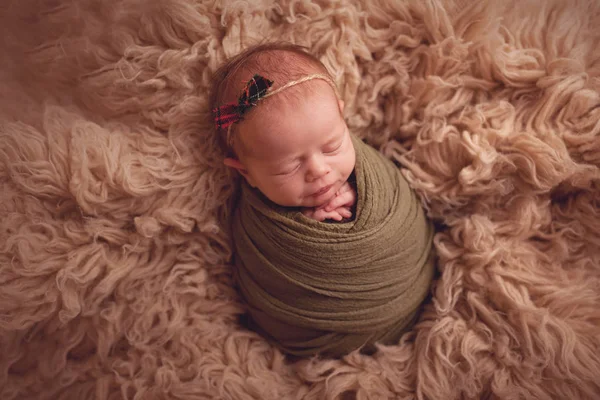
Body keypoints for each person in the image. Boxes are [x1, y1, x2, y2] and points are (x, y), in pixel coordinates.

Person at [210, 42, 435, 357]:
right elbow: (266, 272)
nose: (319, 171)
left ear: (342, 118)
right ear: (246, 174)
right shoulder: (255, 225)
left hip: (410, 288)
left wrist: (359, 195)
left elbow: (395, 201)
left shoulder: (364, 165)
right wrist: (307, 228)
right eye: (289, 167)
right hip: (316, 337)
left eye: (331, 147)